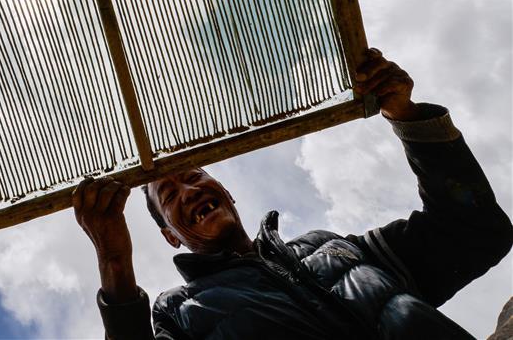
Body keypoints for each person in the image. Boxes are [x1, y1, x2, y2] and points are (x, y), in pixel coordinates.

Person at [73, 48, 513, 339]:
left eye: (193, 176)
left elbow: (474, 232)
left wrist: (406, 114)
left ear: (225, 192)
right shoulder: (182, 312)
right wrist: (113, 262)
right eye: (168, 194)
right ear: (171, 235)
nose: (188, 190)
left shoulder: (331, 248)